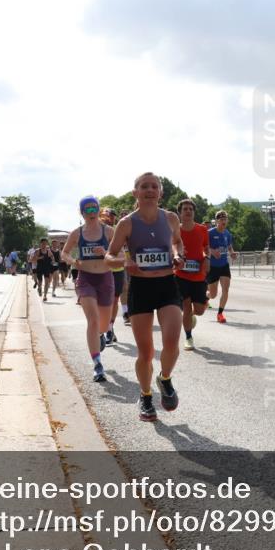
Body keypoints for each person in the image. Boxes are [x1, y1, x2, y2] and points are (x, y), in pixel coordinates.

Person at [108, 172, 184, 422]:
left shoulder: (171, 218)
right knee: (146, 352)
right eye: (144, 186)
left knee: (172, 343)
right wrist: (125, 263)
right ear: (135, 193)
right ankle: (146, 395)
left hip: (166, 285)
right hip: (140, 287)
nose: (150, 190)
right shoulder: (127, 223)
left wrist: (177, 254)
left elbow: (177, 242)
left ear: (160, 193)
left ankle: (164, 378)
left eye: (154, 186)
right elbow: (110, 256)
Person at [61, 196, 118, 382]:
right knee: (92, 320)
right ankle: (97, 365)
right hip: (85, 278)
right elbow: (65, 252)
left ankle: (101, 335)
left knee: (102, 324)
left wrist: (107, 253)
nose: (91, 213)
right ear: (82, 212)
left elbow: (120, 252)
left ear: (99, 211)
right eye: (88, 209)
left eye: (95, 209)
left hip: (105, 278)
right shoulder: (76, 233)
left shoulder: (109, 231)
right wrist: (73, 261)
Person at [174, 198, 209, 350]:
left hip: (199, 275)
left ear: (194, 212)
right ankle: (188, 337)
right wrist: (176, 255)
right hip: (181, 275)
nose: (188, 211)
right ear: (180, 213)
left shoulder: (202, 229)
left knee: (199, 311)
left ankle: (194, 312)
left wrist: (206, 257)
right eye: (185, 209)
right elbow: (171, 246)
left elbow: (206, 247)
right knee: (186, 308)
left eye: (190, 209)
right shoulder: (175, 230)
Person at [206, 210, 236, 323]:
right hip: (212, 267)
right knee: (213, 295)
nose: (224, 221)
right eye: (221, 219)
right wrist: (212, 251)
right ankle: (206, 298)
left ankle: (220, 314)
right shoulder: (210, 233)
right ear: (217, 221)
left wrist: (232, 253)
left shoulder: (227, 234)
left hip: (224, 265)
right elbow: (203, 247)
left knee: (226, 289)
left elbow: (229, 246)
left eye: (225, 219)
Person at [100, 208, 123, 345]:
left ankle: (110, 329)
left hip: (117, 269)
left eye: (113, 216)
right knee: (103, 301)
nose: (111, 218)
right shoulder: (97, 230)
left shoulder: (118, 230)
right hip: (102, 269)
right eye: (108, 216)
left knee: (114, 300)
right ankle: (102, 328)